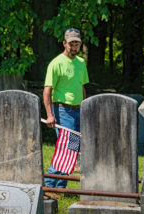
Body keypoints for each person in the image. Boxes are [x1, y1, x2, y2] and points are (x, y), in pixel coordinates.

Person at [43, 28, 89, 189]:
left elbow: (81, 87)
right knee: (66, 149)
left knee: (73, 149)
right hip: (63, 110)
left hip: (79, 110)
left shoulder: (81, 63)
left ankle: (59, 187)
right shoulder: (56, 63)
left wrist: (85, 108)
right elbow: (47, 91)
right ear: (64, 44)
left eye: (77, 43)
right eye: (71, 44)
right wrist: (50, 115)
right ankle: (48, 185)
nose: (74, 46)